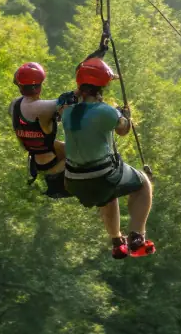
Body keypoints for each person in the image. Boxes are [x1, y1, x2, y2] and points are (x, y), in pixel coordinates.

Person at [61, 57, 155, 259]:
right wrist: (125, 115)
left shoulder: (67, 112)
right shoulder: (106, 112)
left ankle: (116, 241)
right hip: (102, 174)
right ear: (101, 86)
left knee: (107, 195)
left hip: (74, 180)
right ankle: (137, 236)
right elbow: (123, 130)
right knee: (143, 183)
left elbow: (81, 111)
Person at [10, 62, 69, 200]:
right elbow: (71, 99)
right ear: (39, 87)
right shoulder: (43, 107)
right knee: (81, 152)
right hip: (51, 160)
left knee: (63, 145)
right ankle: (57, 178)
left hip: (35, 157)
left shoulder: (14, 105)